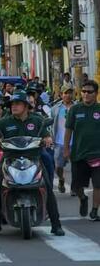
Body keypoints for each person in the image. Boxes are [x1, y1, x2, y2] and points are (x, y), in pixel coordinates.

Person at [0, 90, 64, 236]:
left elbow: (47, 136)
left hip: (33, 158)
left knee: (47, 186)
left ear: (26, 106)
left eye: (17, 104)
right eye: (12, 104)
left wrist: (47, 140)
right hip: (9, 159)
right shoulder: (5, 121)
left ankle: (56, 224)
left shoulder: (37, 120)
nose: (13, 107)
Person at [64, 80, 100, 221]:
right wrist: (66, 149)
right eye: (83, 91)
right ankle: (83, 198)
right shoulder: (75, 109)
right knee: (77, 186)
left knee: (98, 184)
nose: (86, 94)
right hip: (79, 154)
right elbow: (68, 130)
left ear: (96, 94)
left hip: (97, 154)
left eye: (89, 92)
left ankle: (95, 210)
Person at [51, 84, 75, 194]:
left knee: (76, 166)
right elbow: (50, 124)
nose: (68, 95)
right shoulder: (55, 108)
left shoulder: (77, 107)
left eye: (70, 92)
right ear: (61, 95)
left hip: (75, 142)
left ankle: (75, 186)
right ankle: (61, 179)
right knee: (58, 167)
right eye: (66, 93)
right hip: (59, 142)